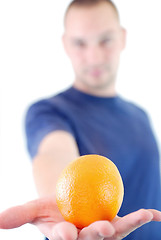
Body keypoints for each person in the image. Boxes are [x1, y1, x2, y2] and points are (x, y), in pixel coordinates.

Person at [0, 0, 161, 239]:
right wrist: (63, 200)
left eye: (105, 40)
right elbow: (54, 153)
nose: (94, 57)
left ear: (122, 38)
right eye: (80, 43)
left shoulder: (140, 116)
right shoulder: (48, 111)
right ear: (65, 44)